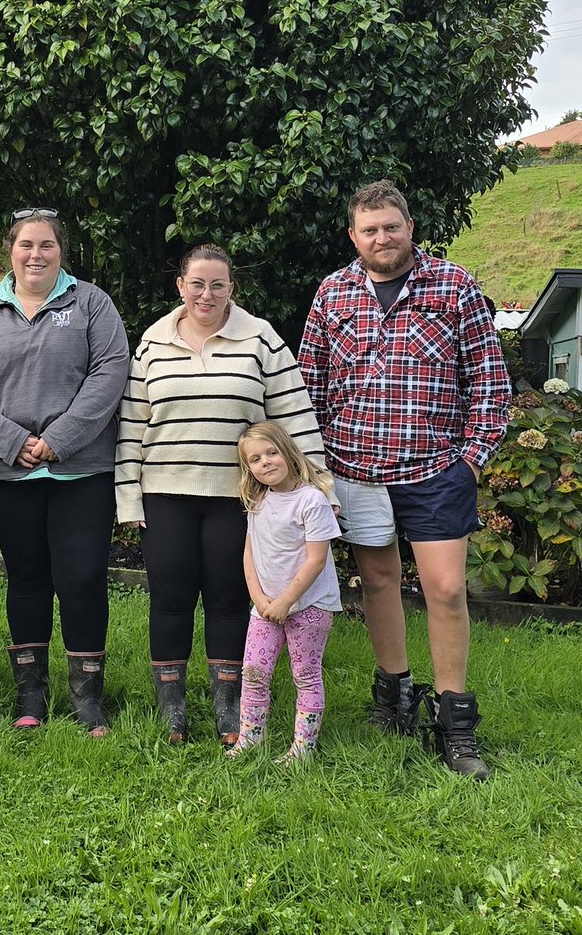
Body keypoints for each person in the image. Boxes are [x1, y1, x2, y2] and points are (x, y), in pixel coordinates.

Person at [298, 180, 510, 780]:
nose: (381, 238)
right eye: (370, 230)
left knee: (445, 590)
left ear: (410, 227)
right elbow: (309, 384)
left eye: (391, 226)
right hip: (354, 467)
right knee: (379, 580)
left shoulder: (453, 285)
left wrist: (471, 458)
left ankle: (454, 721)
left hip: (436, 468)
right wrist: (317, 466)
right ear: (353, 236)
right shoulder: (333, 293)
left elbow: (490, 381)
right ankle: (393, 697)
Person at [115, 245, 330, 747]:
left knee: (229, 599)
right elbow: (129, 425)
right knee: (170, 600)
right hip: (165, 493)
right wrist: (128, 498)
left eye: (218, 284)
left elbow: (293, 416)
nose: (206, 294)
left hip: (239, 497)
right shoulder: (152, 342)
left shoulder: (261, 340)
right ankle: (171, 710)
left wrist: (320, 485)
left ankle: (229, 707)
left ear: (232, 287)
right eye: (197, 284)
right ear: (180, 286)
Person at [0, 210, 129, 736]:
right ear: (11, 250)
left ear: (60, 250)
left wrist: (59, 440)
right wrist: (12, 441)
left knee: (83, 578)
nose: (36, 254)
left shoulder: (91, 303)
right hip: (8, 472)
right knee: (27, 581)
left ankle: (87, 699)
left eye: (46, 245)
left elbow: (109, 372)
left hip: (82, 470)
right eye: (26, 244)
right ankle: (30, 696)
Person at [225, 422, 341, 763]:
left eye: (272, 453)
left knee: (305, 674)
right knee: (254, 672)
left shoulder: (312, 501)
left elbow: (316, 560)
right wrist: (261, 600)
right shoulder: (258, 502)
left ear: (288, 453)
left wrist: (287, 601)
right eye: (256, 459)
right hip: (265, 608)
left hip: (309, 605)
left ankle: (302, 750)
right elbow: (249, 554)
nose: (266, 463)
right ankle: (250, 739)